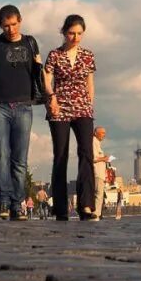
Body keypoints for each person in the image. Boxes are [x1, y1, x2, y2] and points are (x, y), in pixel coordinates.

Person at [0, 4, 41, 220]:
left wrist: (50, 97)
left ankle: (17, 204)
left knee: (20, 159)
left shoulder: (30, 42)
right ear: (0, 26)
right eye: (5, 26)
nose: (10, 29)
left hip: (23, 106)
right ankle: (3, 202)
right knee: (1, 154)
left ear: (20, 21)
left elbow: (40, 72)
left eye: (13, 24)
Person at [44, 14, 98, 221]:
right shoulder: (55, 55)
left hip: (83, 108)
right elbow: (47, 80)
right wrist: (52, 98)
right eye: (71, 33)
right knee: (61, 155)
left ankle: (86, 205)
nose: (75, 37)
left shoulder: (88, 55)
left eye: (79, 34)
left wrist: (89, 104)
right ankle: (60, 208)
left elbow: (90, 82)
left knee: (86, 154)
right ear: (64, 32)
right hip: (59, 107)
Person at [91, 127, 110, 220]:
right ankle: (96, 214)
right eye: (102, 133)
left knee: (98, 194)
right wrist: (104, 159)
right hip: (97, 173)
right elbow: (93, 158)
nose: (104, 135)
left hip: (100, 174)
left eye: (104, 133)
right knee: (98, 194)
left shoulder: (97, 143)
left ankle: (96, 214)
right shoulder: (93, 142)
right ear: (95, 133)